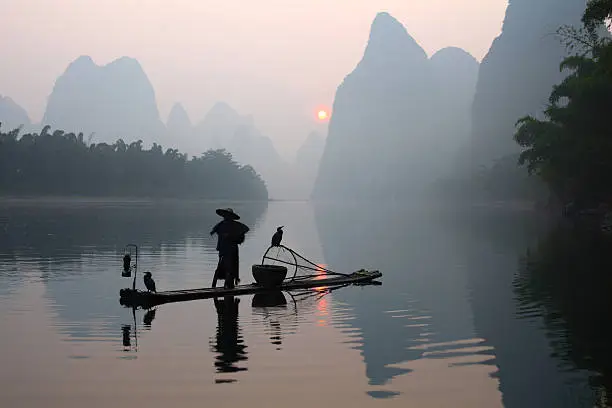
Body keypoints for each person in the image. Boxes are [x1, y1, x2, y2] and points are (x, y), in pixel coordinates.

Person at [210, 208, 250, 289]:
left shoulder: (234, 225)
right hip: (223, 249)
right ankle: (226, 287)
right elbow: (215, 231)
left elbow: (245, 229)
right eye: (225, 215)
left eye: (227, 215)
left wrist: (230, 235)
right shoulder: (221, 224)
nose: (226, 217)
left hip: (231, 250)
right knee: (224, 267)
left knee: (230, 268)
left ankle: (228, 286)